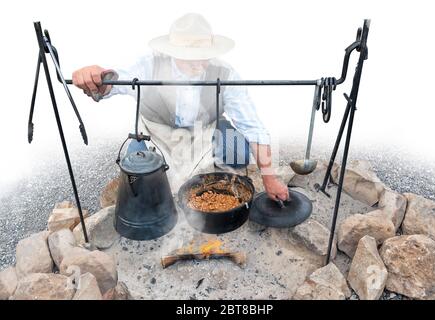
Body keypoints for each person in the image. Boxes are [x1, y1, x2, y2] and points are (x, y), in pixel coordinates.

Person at [72, 13, 289, 201]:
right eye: (189, 58)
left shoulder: (225, 73)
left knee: (240, 153)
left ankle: (205, 165)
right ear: (173, 51)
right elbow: (115, 82)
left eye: (204, 57)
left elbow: (252, 126)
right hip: (156, 136)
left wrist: (269, 177)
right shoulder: (149, 64)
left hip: (205, 132)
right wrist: (98, 79)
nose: (198, 64)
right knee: (137, 178)